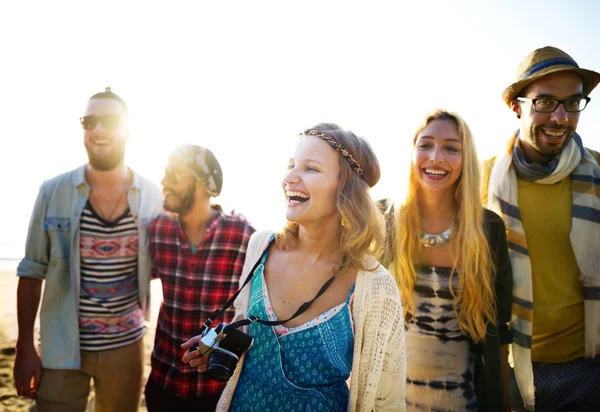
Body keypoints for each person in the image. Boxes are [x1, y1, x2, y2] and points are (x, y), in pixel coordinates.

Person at [182, 124, 406, 411]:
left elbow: (386, 399)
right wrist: (221, 345)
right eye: (291, 165)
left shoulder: (374, 284)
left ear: (345, 187)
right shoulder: (261, 246)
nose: (289, 178)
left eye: (310, 168)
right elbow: (245, 324)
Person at [13, 87, 162, 412]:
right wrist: (24, 346)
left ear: (127, 129)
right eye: (89, 121)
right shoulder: (52, 191)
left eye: (108, 121)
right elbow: (31, 270)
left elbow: (167, 265)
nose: (97, 129)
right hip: (61, 346)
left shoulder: (153, 196)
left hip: (127, 347)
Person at [483, 46, 600, 411]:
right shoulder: (484, 179)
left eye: (573, 103)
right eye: (545, 102)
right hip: (514, 367)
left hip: (590, 368)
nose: (561, 117)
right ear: (517, 107)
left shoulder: (597, 172)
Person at [382, 109, 512, 411]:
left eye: (451, 148)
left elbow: (499, 331)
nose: (436, 157)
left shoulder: (487, 229)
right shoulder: (383, 220)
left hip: (462, 401)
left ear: (466, 160)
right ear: (412, 153)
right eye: (425, 145)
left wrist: (504, 404)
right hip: (387, 403)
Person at [145, 144, 255, 411]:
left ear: (205, 185)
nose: (163, 180)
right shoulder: (157, 230)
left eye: (174, 173)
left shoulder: (243, 236)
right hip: (163, 382)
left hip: (216, 387)